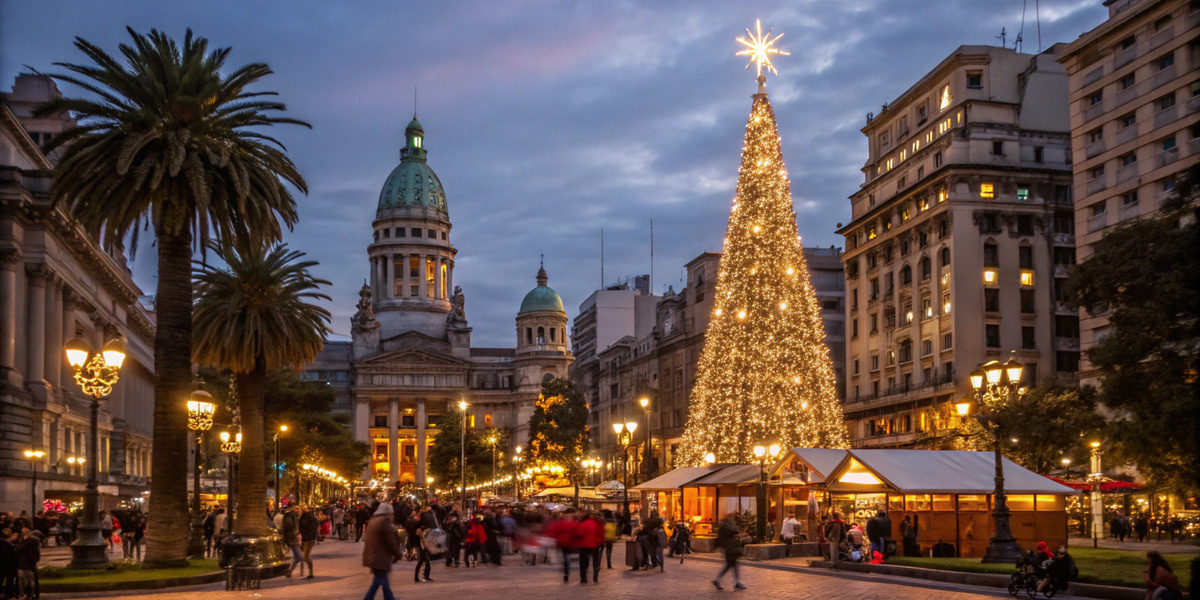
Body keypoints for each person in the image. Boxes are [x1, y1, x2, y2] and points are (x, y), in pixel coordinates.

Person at [362, 503, 404, 600]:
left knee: (381, 581)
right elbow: (390, 540)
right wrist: (398, 554)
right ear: (388, 512)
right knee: (379, 581)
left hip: (373, 556)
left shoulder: (373, 520)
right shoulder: (384, 522)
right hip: (379, 557)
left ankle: (389, 598)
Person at [712, 514, 747, 591]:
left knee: (731, 565)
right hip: (730, 549)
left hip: (728, 548)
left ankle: (735, 582)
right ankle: (735, 582)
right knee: (731, 565)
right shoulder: (726, 526)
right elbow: (735, 531)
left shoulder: (722, 527)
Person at [548, 508, 580, 583]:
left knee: (565, 556)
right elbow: (577, 532)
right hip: (567, 543)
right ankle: (566, 571)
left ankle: (566, 570)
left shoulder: (559, 523)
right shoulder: (572, 523)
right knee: (566, 556)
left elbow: (552, 532)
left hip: (561, 543)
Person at [575, 510, 604, 584]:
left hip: (584, 545)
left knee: (583, 562)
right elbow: (601, 534)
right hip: (595, 545)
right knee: (595, 562)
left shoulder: (583, 524)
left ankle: (583, 578)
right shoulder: (597, 523)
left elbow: (579, 534)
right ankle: (595, 578)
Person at [15, 529, 40, 600]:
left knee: (28, 580)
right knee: (24, 580)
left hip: (27, 563)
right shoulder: (22, 540)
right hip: (25, 563)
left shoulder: (32, 540)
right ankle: (27, 594)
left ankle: (29, 594)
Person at [281, 506, 302, 578]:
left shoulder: (289, 518)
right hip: (292, 539)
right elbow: (293, 529)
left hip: (291, 539)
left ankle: (289, 570)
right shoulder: (292, 518)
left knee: (296, 556)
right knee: (298, 556)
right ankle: (288, 570)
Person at [299, 505, 319, 579]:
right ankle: (310, 572)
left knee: (306, 556)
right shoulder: (306, 518)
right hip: (306, 538)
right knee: (304, 555)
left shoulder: (308, 518)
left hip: (309, 539)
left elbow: (313, 528)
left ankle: (311, 572)